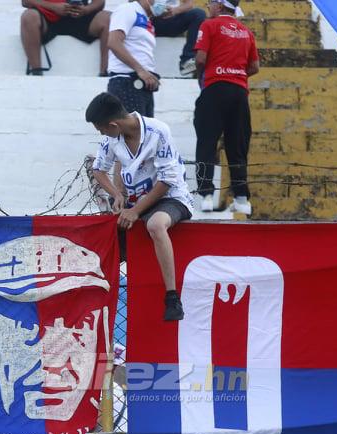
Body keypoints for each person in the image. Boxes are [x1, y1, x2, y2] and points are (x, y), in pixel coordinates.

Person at [86, 92, 193, 321]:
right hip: (136, 202)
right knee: (108, 233)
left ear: (113, 124)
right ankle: (94, 293)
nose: (102, 134)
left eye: (102, 129)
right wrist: (117, 195)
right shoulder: (112, 139)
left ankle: (172, 297)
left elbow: (167, 180)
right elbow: (98, 169)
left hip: (170, 197)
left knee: (155, 225)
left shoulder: (158, 131)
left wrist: (135, 211)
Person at [193, 0, 259, 215]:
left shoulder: (209, 25)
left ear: (220, 6)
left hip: (214, 89)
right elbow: (254, 67)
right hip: (239, 93)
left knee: (207, 142)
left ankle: (206, 195)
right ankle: (241, 199)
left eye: (211, 3)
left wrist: (202, 77)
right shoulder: (246, 32)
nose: (208, 6)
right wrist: (234, 74)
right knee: (237, 145)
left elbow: (200, 59)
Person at [20, 0, 110, 76]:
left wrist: (86, 10)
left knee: (107, 18)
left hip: (80, 16)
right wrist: (53, 7)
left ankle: (105, 73)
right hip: (47, 16)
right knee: (29, 16)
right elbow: (25, 1)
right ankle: (36, 71)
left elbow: (100, 2)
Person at [106, 0, 161, 117]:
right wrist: (141, 70)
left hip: (144, 82)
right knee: (132, 128)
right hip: (126, 81)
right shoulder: (127, 9)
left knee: (144, 128)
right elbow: (114, 42)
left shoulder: (146, 18)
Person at [151, 0, 206, 76]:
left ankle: (187, 60)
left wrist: (174, 11)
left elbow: (189, 4)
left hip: (173, 18)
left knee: (199, 13)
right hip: (151, 19)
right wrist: (156, 11)